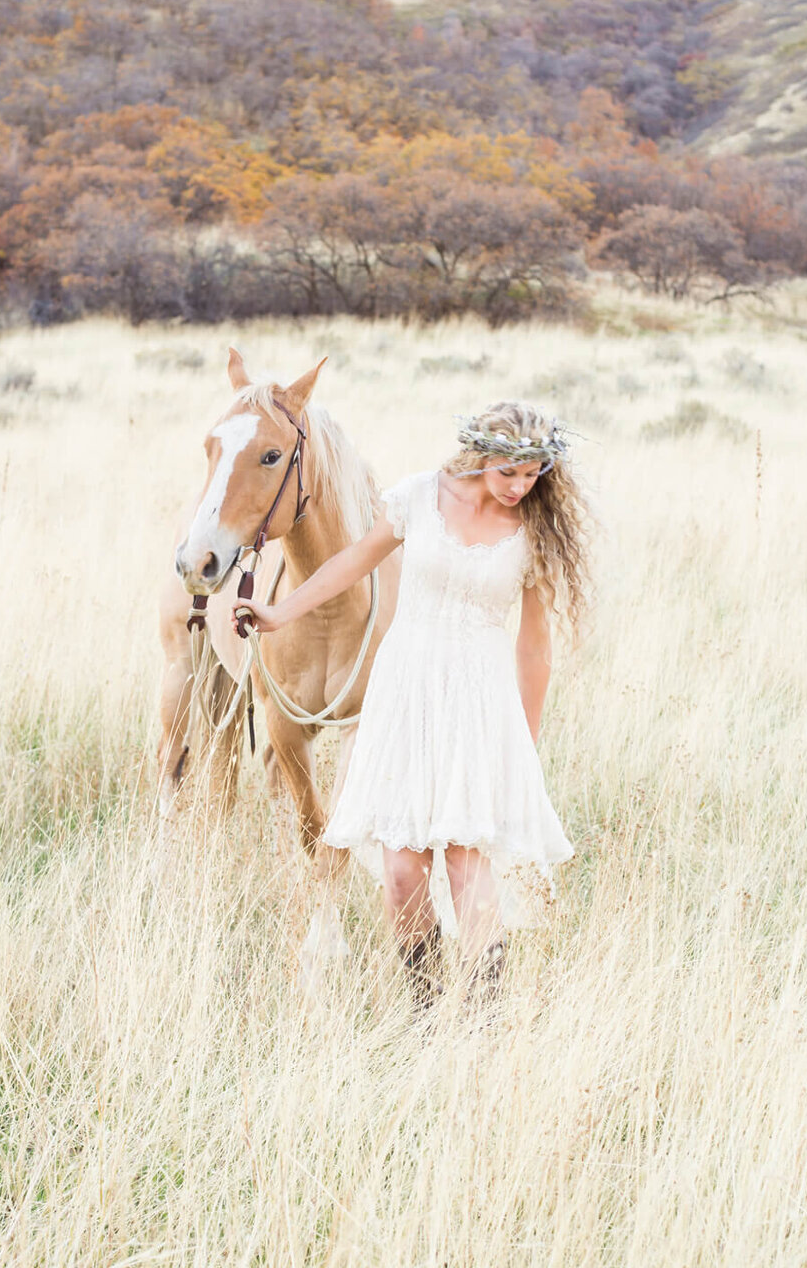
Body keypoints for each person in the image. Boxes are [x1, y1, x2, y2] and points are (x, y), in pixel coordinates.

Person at [234, 400, 590, 1011]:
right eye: (510, 473)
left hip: (479, 703)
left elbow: (535, 648)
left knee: (465, 865)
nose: (520, 487)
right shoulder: (420, 497)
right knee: (402, 873)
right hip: (405, 692)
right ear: (480, 456)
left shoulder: (533, 532)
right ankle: (424, 1017)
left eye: (533, 475)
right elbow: (351, 563)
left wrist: (521, 748)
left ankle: (482, 1023)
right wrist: (278, 613)